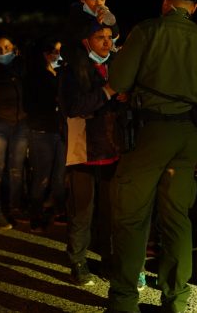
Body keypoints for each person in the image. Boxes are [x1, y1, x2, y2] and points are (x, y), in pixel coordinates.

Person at [106, 0, 197, 313]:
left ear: (165, 3)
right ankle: (176, 300)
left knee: (131, 217)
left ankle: (124, 302)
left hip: (150, 132)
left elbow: (117, 82)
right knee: (177, 219)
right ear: (194, 9)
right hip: (188, 136)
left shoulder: (147, 31)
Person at [59, 20, 128, 286]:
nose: (107, 42)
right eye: (100, 37)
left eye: (110, 37)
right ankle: (78, 261)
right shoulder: (72, 71)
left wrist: (125, 98)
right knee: (81, 211)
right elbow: (73, 106)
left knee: (110, 211)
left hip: (113, 147)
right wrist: (108, 92)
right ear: (86, 41)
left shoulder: (118, 65)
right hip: (83, 150)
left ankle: (109, 260)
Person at [0, 31, 29, 230]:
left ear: (14, 48)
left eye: (7, 48)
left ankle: (15, 207)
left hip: (21, 123)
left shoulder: (23, 66)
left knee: (17, 169)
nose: (3, 51)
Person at [23, 36, 66, 233]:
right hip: (42, 130)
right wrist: (54, 100)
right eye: (54, 52)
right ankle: (36, 214)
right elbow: (31, 104)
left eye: (59, 51)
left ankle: (58, 209)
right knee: (42, 176)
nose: (57, 55)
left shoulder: (58, 73)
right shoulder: (36, 76)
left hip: (58, 130)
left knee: (59, 175)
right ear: (45, 54)